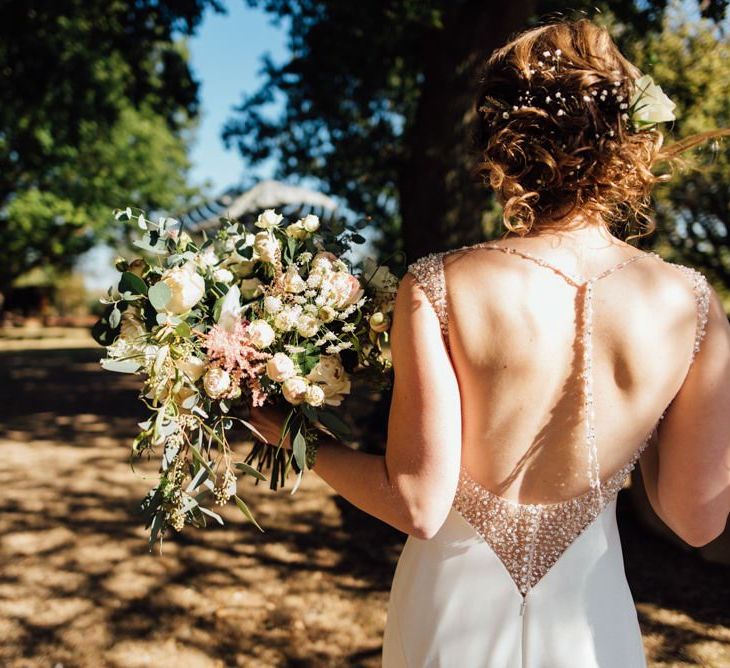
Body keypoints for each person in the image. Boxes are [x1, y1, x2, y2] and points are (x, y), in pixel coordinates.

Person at [249, 18, 730, 667]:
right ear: (623, 136)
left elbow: (418, 504)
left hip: (448, 610)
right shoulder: (691, 304)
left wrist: (294, 437)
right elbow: (696, 519)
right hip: (593, 625)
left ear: (501, 144)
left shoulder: (440, 284)